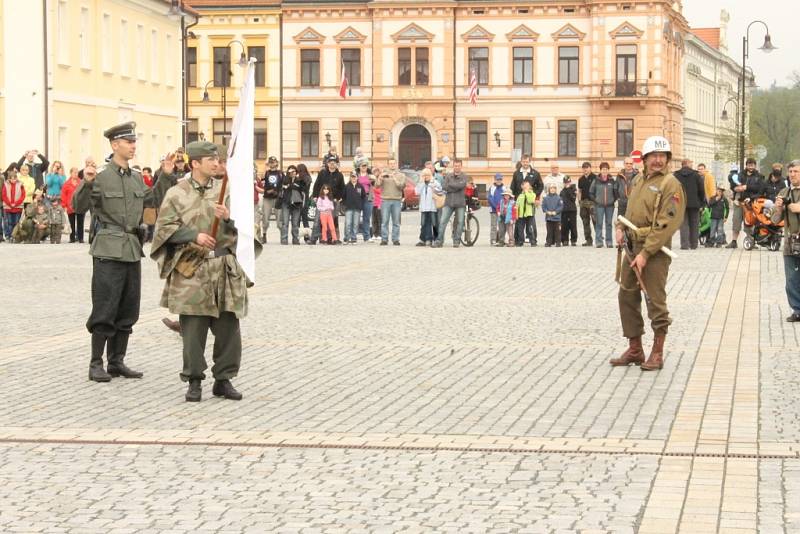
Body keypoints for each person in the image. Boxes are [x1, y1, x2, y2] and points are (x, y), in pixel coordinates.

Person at [150, 141, 251, 402]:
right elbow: (162, 229)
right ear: (195, 163)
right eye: (210, 160)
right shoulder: (176, 193)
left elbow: (250, 230)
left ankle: (223, 379)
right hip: (192, 269)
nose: (216, 163)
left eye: (217, 159)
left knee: (228, 327)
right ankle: (193, 380)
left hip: (223, 268)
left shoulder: (226, 191)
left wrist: (229, 218)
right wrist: (194, 235)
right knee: (193, 330)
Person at [72, 121, 156, 383]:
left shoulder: (135, 177)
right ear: (114, 144)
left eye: (134, 142)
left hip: (132, 248)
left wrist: (164, 177)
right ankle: (95, 363)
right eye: (128, 142)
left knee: (128, 308)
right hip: (108, 249)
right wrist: (86, 183)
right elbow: (78, 206)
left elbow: (152, 202)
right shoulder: (100, 175)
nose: (133, 146)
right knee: (105, 306)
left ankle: (117, 361)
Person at [611, 136, 685, 371]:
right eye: (653, 156)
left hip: (654, 250)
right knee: (627, 295)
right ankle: (635, 349)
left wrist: (646, 253)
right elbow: (630, 210)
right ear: (644, 159)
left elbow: (667, 223)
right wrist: (621, 227)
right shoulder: (639, 179)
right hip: (632, 247)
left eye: (662, 156)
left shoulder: (670, 184)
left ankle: (657, 352)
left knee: (655, 300)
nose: (657, 160)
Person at [770, 160, 800, 322]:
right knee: (791, 279)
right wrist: (779, 207)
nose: (793, 174)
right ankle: (797, 310)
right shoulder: (784, 192)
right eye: (791, 172)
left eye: (796, 171)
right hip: (790, 241)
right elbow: (774, 220)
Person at [727, 157, 764, 248]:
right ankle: (734, 241)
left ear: (755, 166)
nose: (751, 167)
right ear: (746, 165)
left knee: (749, 221)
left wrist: (746, 187)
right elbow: (733, 184)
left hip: (750, 202)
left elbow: (759, 188)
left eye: (752, 165)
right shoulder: (740, 174)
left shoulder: (759, 176)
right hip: (738, 201)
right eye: (749, 165)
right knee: (736, 220)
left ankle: (750, 241)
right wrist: (735, 188)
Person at [433, 158, 468, 248]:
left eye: (458, 166)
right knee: (443, 222)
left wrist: (451, 185)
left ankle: (456, 241)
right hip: (449, 202)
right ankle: (439, 241)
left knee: (460, 222)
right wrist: (455, 187)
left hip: (460, 203)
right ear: (453, 166)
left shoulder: (464, 176)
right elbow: (444, 187)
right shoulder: (448, 176)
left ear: (461, 166)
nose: (457, 167)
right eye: (455, 166)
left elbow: (461, 185)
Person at [510, 155, 543, 245]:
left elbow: (540, 186)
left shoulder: (535, 173)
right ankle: (518, 240)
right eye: (524, 161)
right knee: (519, 222)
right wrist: (512, 200)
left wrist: (536, 197)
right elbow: (512, 187)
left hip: (530, 203)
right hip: (519, 202)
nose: (525, 163)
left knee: (531, 223)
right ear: (521, 162)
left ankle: (533, 240)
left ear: (529, 162)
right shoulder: (516, 173)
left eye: (527, 161)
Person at [311, 158, 345, 243]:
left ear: (337, 164)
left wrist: (338, 198)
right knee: (317, 220)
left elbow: (342, 188)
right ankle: (314, 238)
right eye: (330, 162)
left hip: (333, 201)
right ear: (327, 163)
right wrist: (315, 196)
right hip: (321, 200)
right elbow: (317, 185)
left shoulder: (340, 175)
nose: (332, 164)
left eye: (334, 162)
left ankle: (330, 238)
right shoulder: (322, 173)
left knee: (332, 220)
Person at [674, 159, 705, 250]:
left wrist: (675, 203)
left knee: (683, 224)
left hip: (681, 203)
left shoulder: (676, 175)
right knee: (694, 223)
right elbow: (701, 190)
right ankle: (694, 244)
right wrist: (701, 202)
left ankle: (684, 245)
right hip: (694, 203)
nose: (692, 165)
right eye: (691, 164)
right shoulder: (696, 175)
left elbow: (673, 190)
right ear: (687, 164)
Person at [375, 158, 405, 246]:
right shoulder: (384, 174)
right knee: (384, 221)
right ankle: (384, 239)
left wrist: (395, 179)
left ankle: (395, 239)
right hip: (385, 200)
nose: (392, 165)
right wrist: (380, 178)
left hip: (396, 200)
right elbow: (376, 186)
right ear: (388, 165)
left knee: (396, 222)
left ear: (396, 164)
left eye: (393, 163)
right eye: (390, 163)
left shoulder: (401, 175)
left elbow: (402, 186)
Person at [589, 162, 616, 248]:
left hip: (610, 206)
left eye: (606, 169)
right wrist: (596, 200)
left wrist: (612, 200)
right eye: (603, 169)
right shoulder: (596, 180)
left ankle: (609, 242)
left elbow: (615, 192)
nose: (604, 171)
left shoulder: (612, 180)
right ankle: (599, 242)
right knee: (599, 223)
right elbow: (591, 192)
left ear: (608, 170)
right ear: (600, 170)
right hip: (599, 206)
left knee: (609, 224)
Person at [261, 156, 284, 243]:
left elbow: (284, 183)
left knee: (279, 218)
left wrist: (278, 191)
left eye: (274, 162)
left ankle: (283, 236)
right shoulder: (266, 173)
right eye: (270, 162)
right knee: (265, 217)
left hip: (277, 198)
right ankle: (264, 235)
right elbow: (261, 182)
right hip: (267, 198)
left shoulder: (280, 173)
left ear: (277, 163)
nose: (272, 164)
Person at [280, 165, 305, 245]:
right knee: (285, 223)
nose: (293, 173)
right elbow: (280, 188)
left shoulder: (300, 180)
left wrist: (290, 186)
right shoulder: (284, 180)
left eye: (294, 171)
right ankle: (284, 239)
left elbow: (303, 188)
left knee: (295, 223)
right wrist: (288, 185)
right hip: (286, 203)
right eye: (291, 171)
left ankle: (295, 239)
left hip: (296, 204)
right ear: (288, 172)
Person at [415, 168, 440, 246]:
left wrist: (433, 187)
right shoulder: (421, 183)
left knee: (434, 223)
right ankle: (424, 239)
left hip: (432, 207)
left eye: (427, 175)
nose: (426, 176)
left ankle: (436, 239)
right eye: (424, 175)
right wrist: (421, 183)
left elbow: (440, 191)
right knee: (423, 223)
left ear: (431, 175)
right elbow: (417, 192)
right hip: (424, 207)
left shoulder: (435, 182)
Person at [2, 166, 24, 242]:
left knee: (16, 222)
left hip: (18, 207)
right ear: (9, 178)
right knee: (9, 222)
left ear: (16, 178)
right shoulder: (5, 184)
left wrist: (16, 203)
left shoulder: (20, 184)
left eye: (14, 178)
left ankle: (15, 236)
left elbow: (22, 195)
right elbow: (4, 195)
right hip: (8, 207)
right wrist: (10, 204)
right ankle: (10, 236)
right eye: (11, 178)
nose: (13, 180)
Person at [342, 172, 366, 244]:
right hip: (349, 208)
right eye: (352, 177)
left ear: (357, 177)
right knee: (348, 223)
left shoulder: (360, 186)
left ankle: (354, 238)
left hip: (357, 208)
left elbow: (363, 196)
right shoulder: (346, 186)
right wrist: (345, 204)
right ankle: (347, 238)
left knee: (356, 224)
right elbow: (343, 196)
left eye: (355, 177)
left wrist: (360, 204)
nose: (353, 178)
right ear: (350, 177)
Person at [61, 169, 83, 243]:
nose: (76, 174)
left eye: (77, 173)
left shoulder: (81, 182)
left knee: (80, 222)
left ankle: (80, 238)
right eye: (74, 173)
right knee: (71, 223)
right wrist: (64, 205)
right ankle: (72, 238)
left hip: (80, 205)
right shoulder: (66, 184)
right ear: (71, 173)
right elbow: (63, 195)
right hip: (70, 205)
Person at [578, 162, 597, 246]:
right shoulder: (581, 179)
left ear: (590, 168)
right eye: (584, 168)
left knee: (595, 221)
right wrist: (579, 201)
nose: (585, 169)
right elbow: (579, 191)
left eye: (587, 167)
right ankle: (588, 240)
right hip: (584, 203)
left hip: (593, 203)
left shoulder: (595, 178)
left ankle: (598, 239)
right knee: (585, 222)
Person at [356, 160, 374, 242]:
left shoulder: (370, 176)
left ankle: (366, 236)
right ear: (359, 167)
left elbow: (375, 185)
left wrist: (374, 179)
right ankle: (353, 235)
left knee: (366, 218)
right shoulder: (356, 175)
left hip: (367, 197)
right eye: (362, 166)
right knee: (356, 217)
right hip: (358, 198)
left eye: (365, 166)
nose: (364, 167)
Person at [515, 181, 537, 247]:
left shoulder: (532, 194)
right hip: (521, 215)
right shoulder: (520, 195)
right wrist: (516, 214)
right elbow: (517, 204)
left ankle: (533, 241)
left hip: (529, 214)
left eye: (527, 186)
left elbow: (530, 200)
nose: (526, 187)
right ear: (522, 187)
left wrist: (527, 192)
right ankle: (520, 241)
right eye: (525, 186)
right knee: (520, 228)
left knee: (530, 228)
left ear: (530, 187)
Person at [560, 176, 578, 246]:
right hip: (564, 211)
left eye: (568, 182)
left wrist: (568, 189)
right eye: (565, 183)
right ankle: (565, 239)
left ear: (570, 182)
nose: (566, 184)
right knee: (564, 226)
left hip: (572, 210)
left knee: (573, 225)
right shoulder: (562, 191)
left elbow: (573, 198)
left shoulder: (573, 189)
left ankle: (573, 240)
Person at [488, 173, 504, 246]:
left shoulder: (504, 188)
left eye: (500, 179)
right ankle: (493, 240)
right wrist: (496, 207)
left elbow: (506, 198)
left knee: (501, 226)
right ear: (495, 180)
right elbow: (490, 198)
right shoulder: (492, 188)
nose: (499, 181)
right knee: (493, 225)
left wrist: (502, 208)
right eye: (497, 179)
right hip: (493, 210)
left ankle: (501, 239)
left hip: (502, 210)